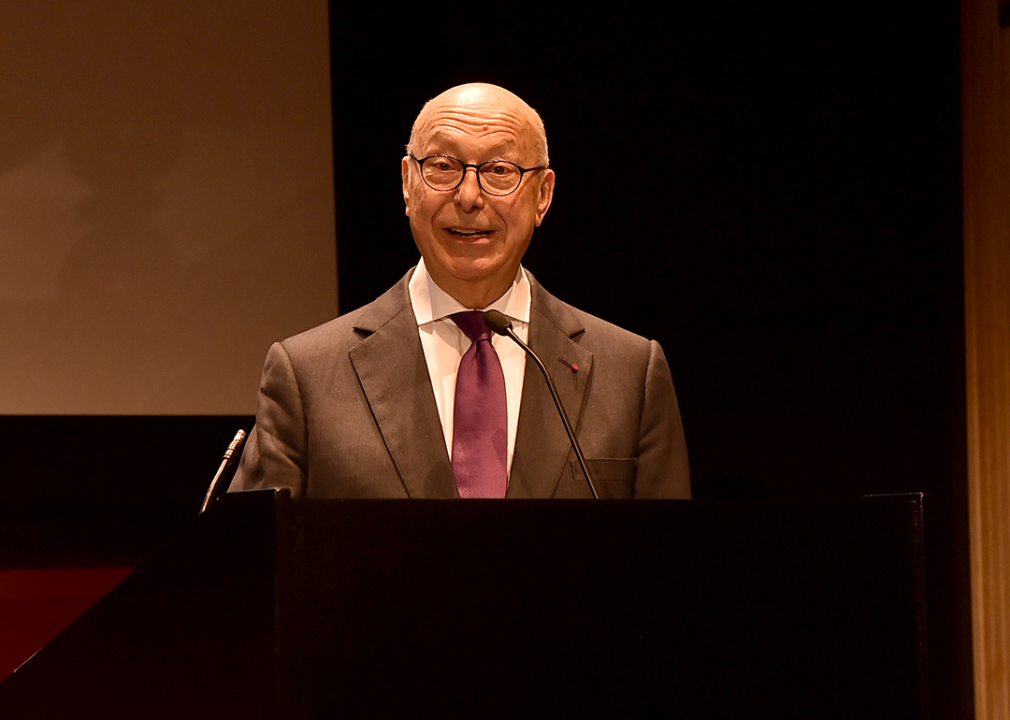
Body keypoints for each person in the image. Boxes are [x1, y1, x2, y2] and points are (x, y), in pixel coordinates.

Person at [229, 83, 690, 499]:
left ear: (543, 196)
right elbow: (254, 568)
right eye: (444, 166)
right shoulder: (306, 375)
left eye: (500, 170)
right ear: (408, 184)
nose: (469, 196)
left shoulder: (631, 374)